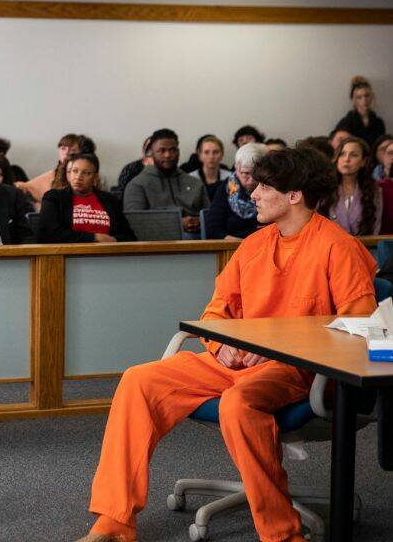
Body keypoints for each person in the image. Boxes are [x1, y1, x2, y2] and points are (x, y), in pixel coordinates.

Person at [76, 147, 377, 542]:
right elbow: (215, 314)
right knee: (138, 381)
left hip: (296, 369)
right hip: (231, 362)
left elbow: (359, 329)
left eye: (264, 186)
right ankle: (114, 523)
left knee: (239, 404)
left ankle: (281, 533)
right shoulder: (252, 246)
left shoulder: (339, 248)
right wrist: (222, 347)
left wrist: (270, 344)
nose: (252, 194)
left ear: (294, 195)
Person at [123, 128, 210, 237]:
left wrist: (199, 222)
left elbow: (210, 217)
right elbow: (135, 223)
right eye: (161, 151)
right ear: (152, 153)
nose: (168, 155)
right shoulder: (137, 185)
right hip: (158, 244)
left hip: (200, 241)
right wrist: (178, 224)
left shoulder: (195, 183)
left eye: (173, 150)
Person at [38, 152, 135, 243]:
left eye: (86, 173)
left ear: (95, 177)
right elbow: (49, 234)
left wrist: (113, 239)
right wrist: (94, 237)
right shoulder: (54, 197)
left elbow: (129, 236)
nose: (78, 177)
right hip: (67, 256)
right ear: (69, 174)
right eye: (75, 171)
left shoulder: (110, 200)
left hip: (107, 255)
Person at [204, 142, 267, 240]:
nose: (251, 180)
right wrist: (242, 244)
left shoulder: (270, 188)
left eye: (256, 174)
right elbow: (213, 231)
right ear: (236, 169)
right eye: (245, 173)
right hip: (234, 247)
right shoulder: (225, 189)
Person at [320, 137, 381, 236]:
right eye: (342, 154)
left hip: (364, 247)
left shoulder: (375, 190)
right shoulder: (325, 188)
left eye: (354, 155)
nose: (346, 159)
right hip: (330, 247)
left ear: (363, 162)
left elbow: (375, 227)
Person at [15, 133, 88, 207]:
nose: (66, 153)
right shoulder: (52, 175)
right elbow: (26, 187)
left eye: (73, 150)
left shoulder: (89, 175)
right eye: (63, 148)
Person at [334, 76, 386, 147]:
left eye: (367, 96)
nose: (364, 100)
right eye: (359, 97)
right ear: (354, 100)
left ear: (371, 97)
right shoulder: (346, 122)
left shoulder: (379, 123)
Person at [189, 135, 232, 200]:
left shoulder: (230, 178)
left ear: (222, 154)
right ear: (199, 155)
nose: (211, 156)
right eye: (206, 152)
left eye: (216, 152)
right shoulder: (191, 179)